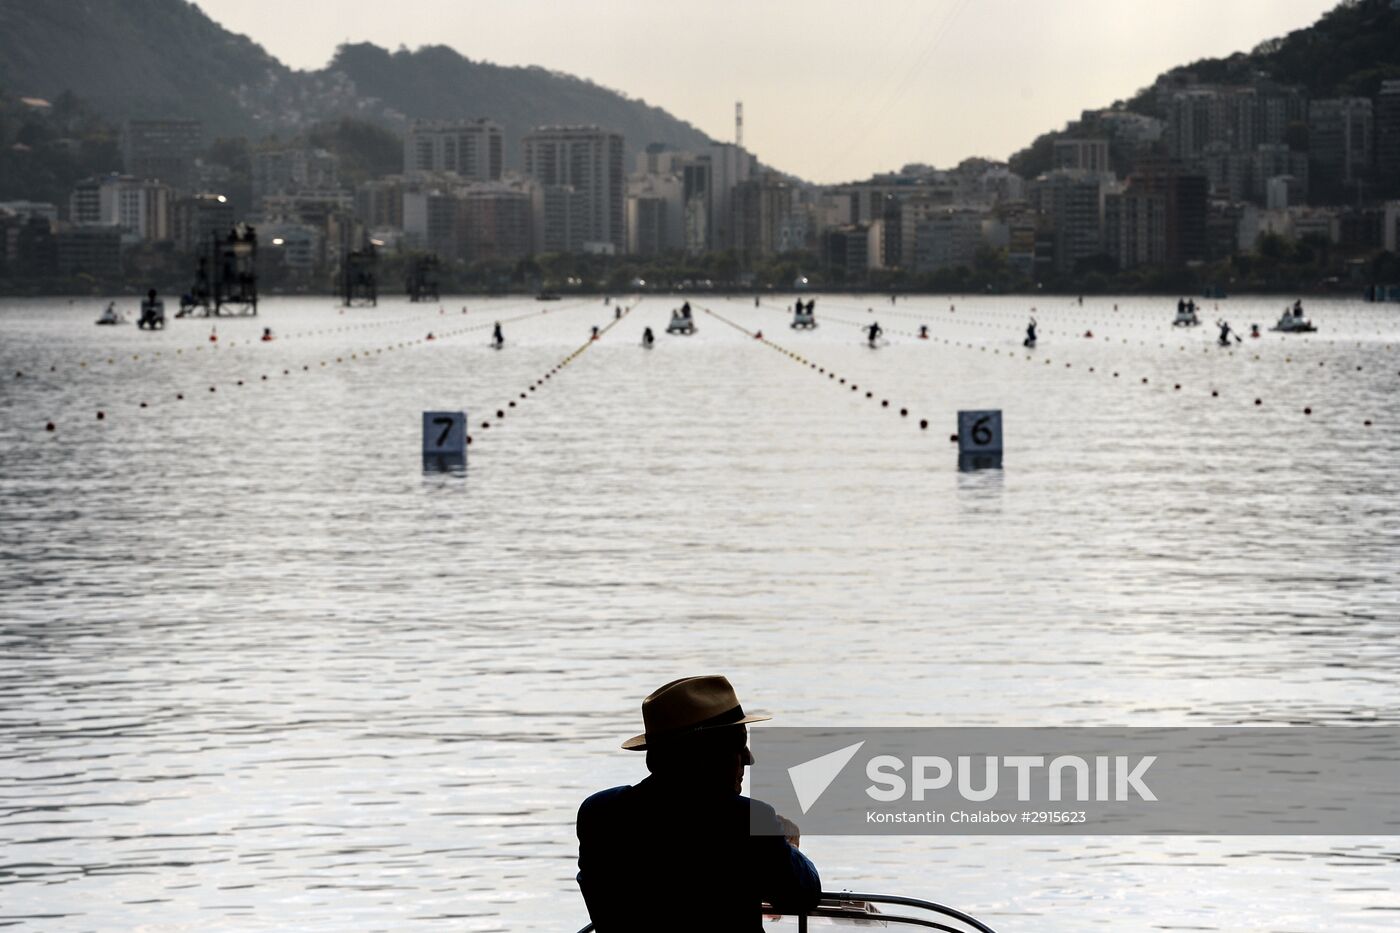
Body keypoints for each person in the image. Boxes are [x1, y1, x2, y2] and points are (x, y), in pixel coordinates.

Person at [577, 676, 820, 932]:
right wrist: (788, 844)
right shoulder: (747, 818)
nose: (748, 759)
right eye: (738, 745)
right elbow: (802, 895)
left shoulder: (599, 814)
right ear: (706, 755)